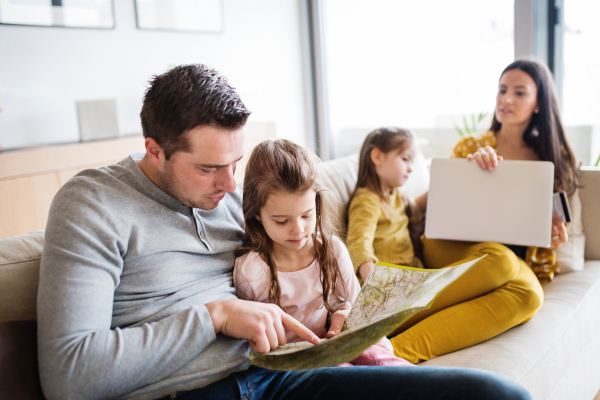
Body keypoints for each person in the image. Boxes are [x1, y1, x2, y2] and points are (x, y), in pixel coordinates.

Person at [37, 64, 533, 400]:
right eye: (210, 168)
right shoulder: (92, 205)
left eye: (236, 162)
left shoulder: (234, 193)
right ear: (154, 149)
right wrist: (215, 316)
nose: (231, 186)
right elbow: (68, 375)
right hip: (204, 389)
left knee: (497, 394)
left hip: (288, 370)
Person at [346, 126, 543, 365]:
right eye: (405, 159)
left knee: (527, 293)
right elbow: (358, 243)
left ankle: (388, 353)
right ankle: (383, 352)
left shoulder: (396, 195)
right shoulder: (366, 201)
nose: (411, 167)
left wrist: (472, 178)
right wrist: (374, 281)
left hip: (410, 280)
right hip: (387, 290)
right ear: (377, 157)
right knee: (503, 264)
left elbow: (418, 211)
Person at [234, 139, 412, 367]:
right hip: (292, 366)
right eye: (281, 221)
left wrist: (345, 315)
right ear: (257, 214)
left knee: (383, 361)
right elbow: (248, 347)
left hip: (338, 344)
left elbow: (359, 310)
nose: (298, 229)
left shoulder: (333, 250)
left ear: (317, 204)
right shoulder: (252, 272)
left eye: (307, 215)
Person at [453, 58, 578, 282]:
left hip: (521, 258)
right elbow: (443, 204)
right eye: (502, 90)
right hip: (471, 250)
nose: (506, 99)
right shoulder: (470, 147)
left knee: (522, 290)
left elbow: (558, 224)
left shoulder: (552, 158)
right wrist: (470, 171)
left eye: (520, 93)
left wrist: (554, 235)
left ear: (538, 103)